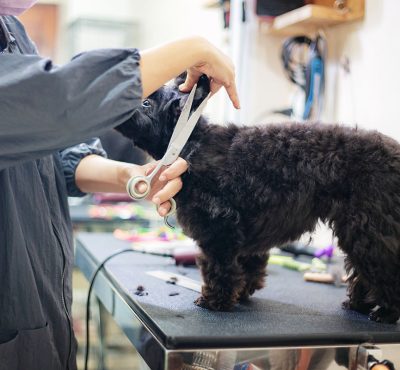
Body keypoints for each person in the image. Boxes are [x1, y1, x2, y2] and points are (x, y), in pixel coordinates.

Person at [0, 1, 240, 369]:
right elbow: (59, 103)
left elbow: (51, 154)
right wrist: (191, 49)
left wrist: (130, 177)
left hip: (41, 316)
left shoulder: (11, 29)